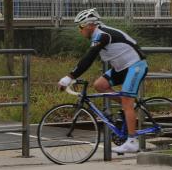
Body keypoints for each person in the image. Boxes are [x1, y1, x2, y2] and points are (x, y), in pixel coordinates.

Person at [58, 8, 148, 154]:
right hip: (122, 68)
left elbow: (89, 58)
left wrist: (70, 76)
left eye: (80, 26)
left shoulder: (102, 35)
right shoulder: (98, 35)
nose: (79, 30)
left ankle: (132, 141)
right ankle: (130, 105)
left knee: (126, 101)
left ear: (90, 25)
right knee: (100, 85)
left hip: (136, 66)